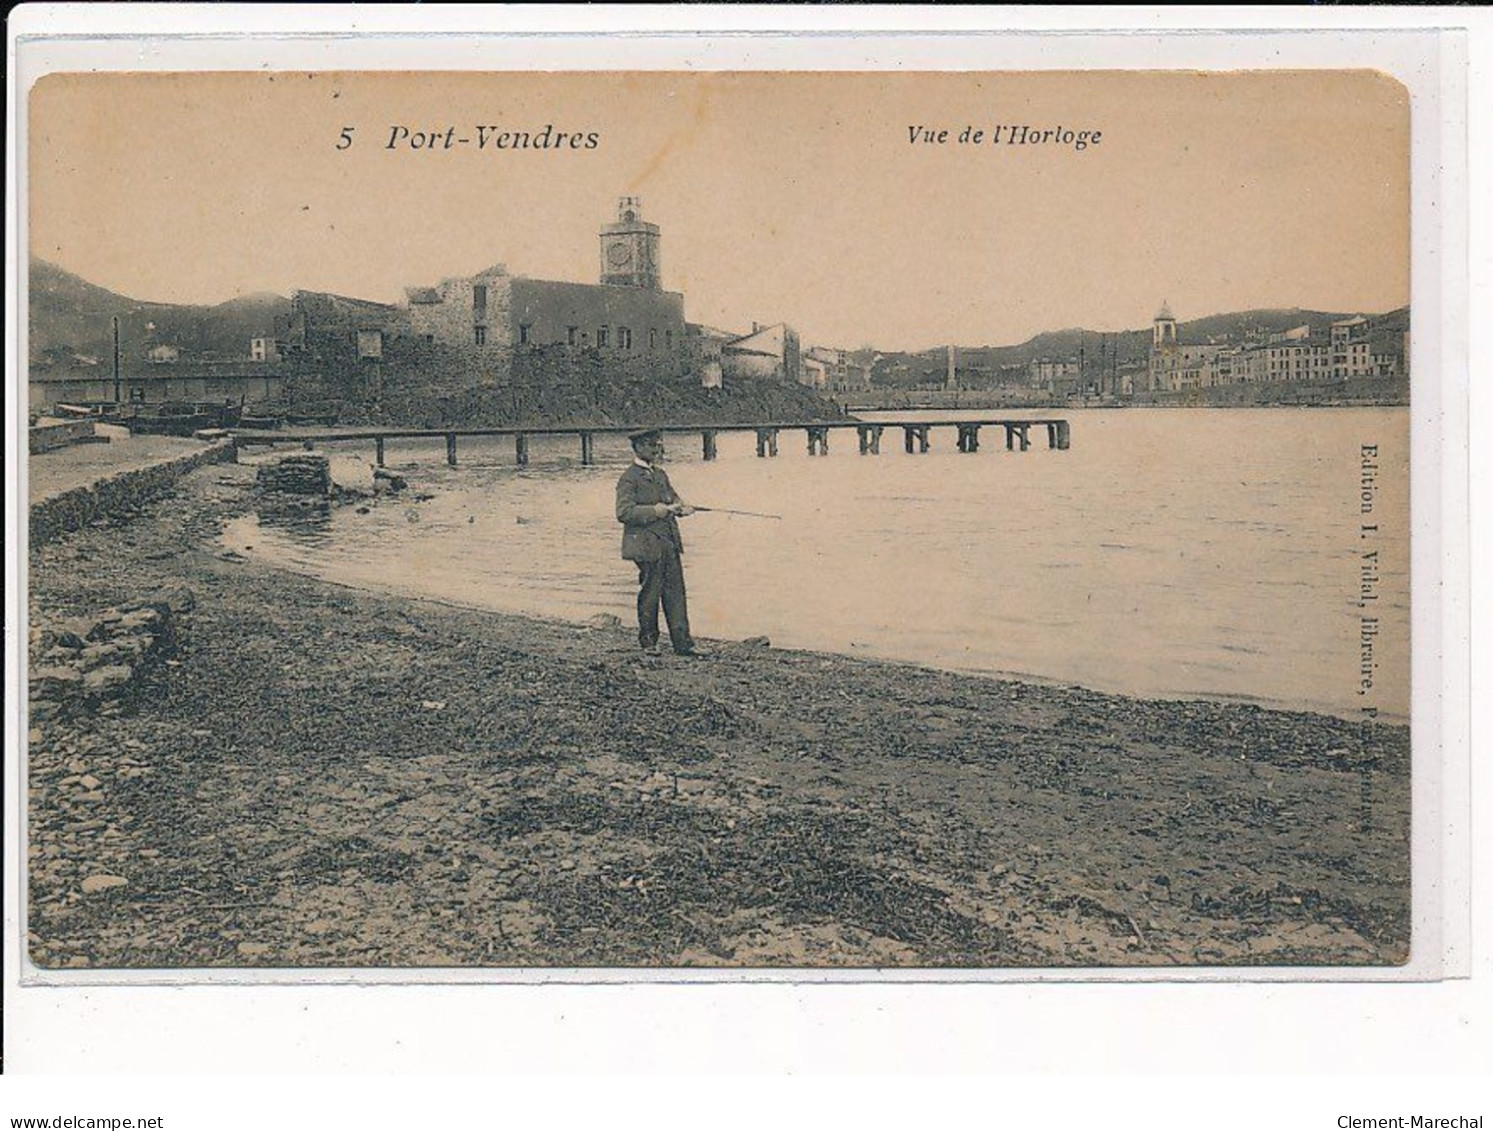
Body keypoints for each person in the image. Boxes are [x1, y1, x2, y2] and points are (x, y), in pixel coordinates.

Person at [615, 428, 703, 657]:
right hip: (645, 546)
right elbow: (624, 512)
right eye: (652, 445)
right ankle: (649, 644)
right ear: (638, 447)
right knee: (650, 593)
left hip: (669, 543)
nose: (656, 449)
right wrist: (655, 511)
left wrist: (682, 508)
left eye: (658, 445)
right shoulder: (628, 478)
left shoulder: (661, 474)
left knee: (675, 593)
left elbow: (673, 499)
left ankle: (683, 644)